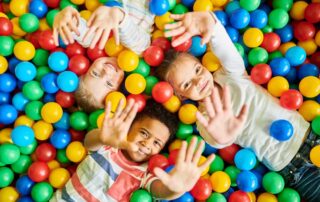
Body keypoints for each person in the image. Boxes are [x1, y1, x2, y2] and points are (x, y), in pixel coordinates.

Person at [154, 11, 318, 201]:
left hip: (309, 135)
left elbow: (223, 46)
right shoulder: (204, 120)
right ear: (181, 96)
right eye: (187, 84)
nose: (198, 81)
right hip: (292, 169)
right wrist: (224, 137)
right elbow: (218, 139)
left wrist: (210, 24)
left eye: (198, 70)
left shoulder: (231, 74)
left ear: (203, 64)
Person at [50, 99, 215, 201]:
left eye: (156, 143)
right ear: (128, 127)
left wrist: (176, 189)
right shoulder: (108, 146)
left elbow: (160, 190)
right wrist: (102, 137)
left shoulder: (144, 175)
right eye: (144, 133)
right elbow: (89, 143)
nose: (147, 143)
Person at [52, 1, 154, 112]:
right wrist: (119, 17)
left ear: (87, 68)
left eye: (95, 73)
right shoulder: (136, 54)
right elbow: (141, 43)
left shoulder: (97, 42)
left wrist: (65, 19)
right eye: (109, 84)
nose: (106, 72)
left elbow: (79, 30)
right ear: (120, 88)